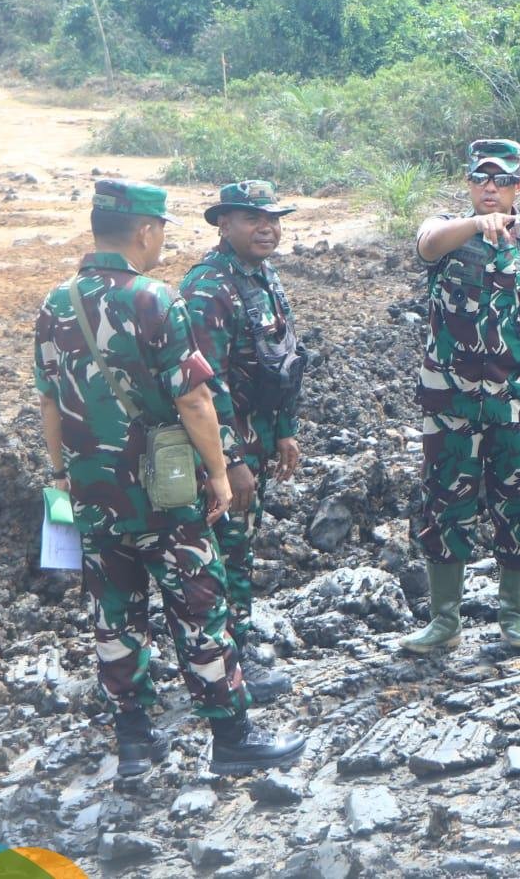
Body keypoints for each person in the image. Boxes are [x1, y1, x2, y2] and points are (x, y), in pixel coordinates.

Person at [34, 179, 304, 776]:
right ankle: (231, 736)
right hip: (165, 489)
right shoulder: (155, 299)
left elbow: (50, 405)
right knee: (199, 605)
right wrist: (220, 473)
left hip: (91, 490)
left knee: (115, 613)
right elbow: (195, 401)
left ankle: (134, 741)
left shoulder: (56, 303)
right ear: (145, 231)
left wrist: (59, 475)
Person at [402, 139, 520, 656]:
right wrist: (475, 227)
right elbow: (427, 246)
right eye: (481, 179)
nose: (490, 188)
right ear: (468, 183)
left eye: (501, 180)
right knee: (444, 505)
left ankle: (516, 616)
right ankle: (444, 620)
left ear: (518, 186)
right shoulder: (445, 232)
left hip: (518, 402)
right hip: (451, 402)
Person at [180, 180, 307, 704]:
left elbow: (281, 359)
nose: (267, 228)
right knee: (224, 549)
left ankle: (237, 646)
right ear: (223, 224)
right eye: (253, 219)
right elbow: (204, 384)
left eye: (273, 218)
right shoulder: (209, 287)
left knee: (241, 541)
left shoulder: (262, 276)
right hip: (221, 444)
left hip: (258, 432)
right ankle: (228, 663)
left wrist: (285, 430)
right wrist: (228, 460)